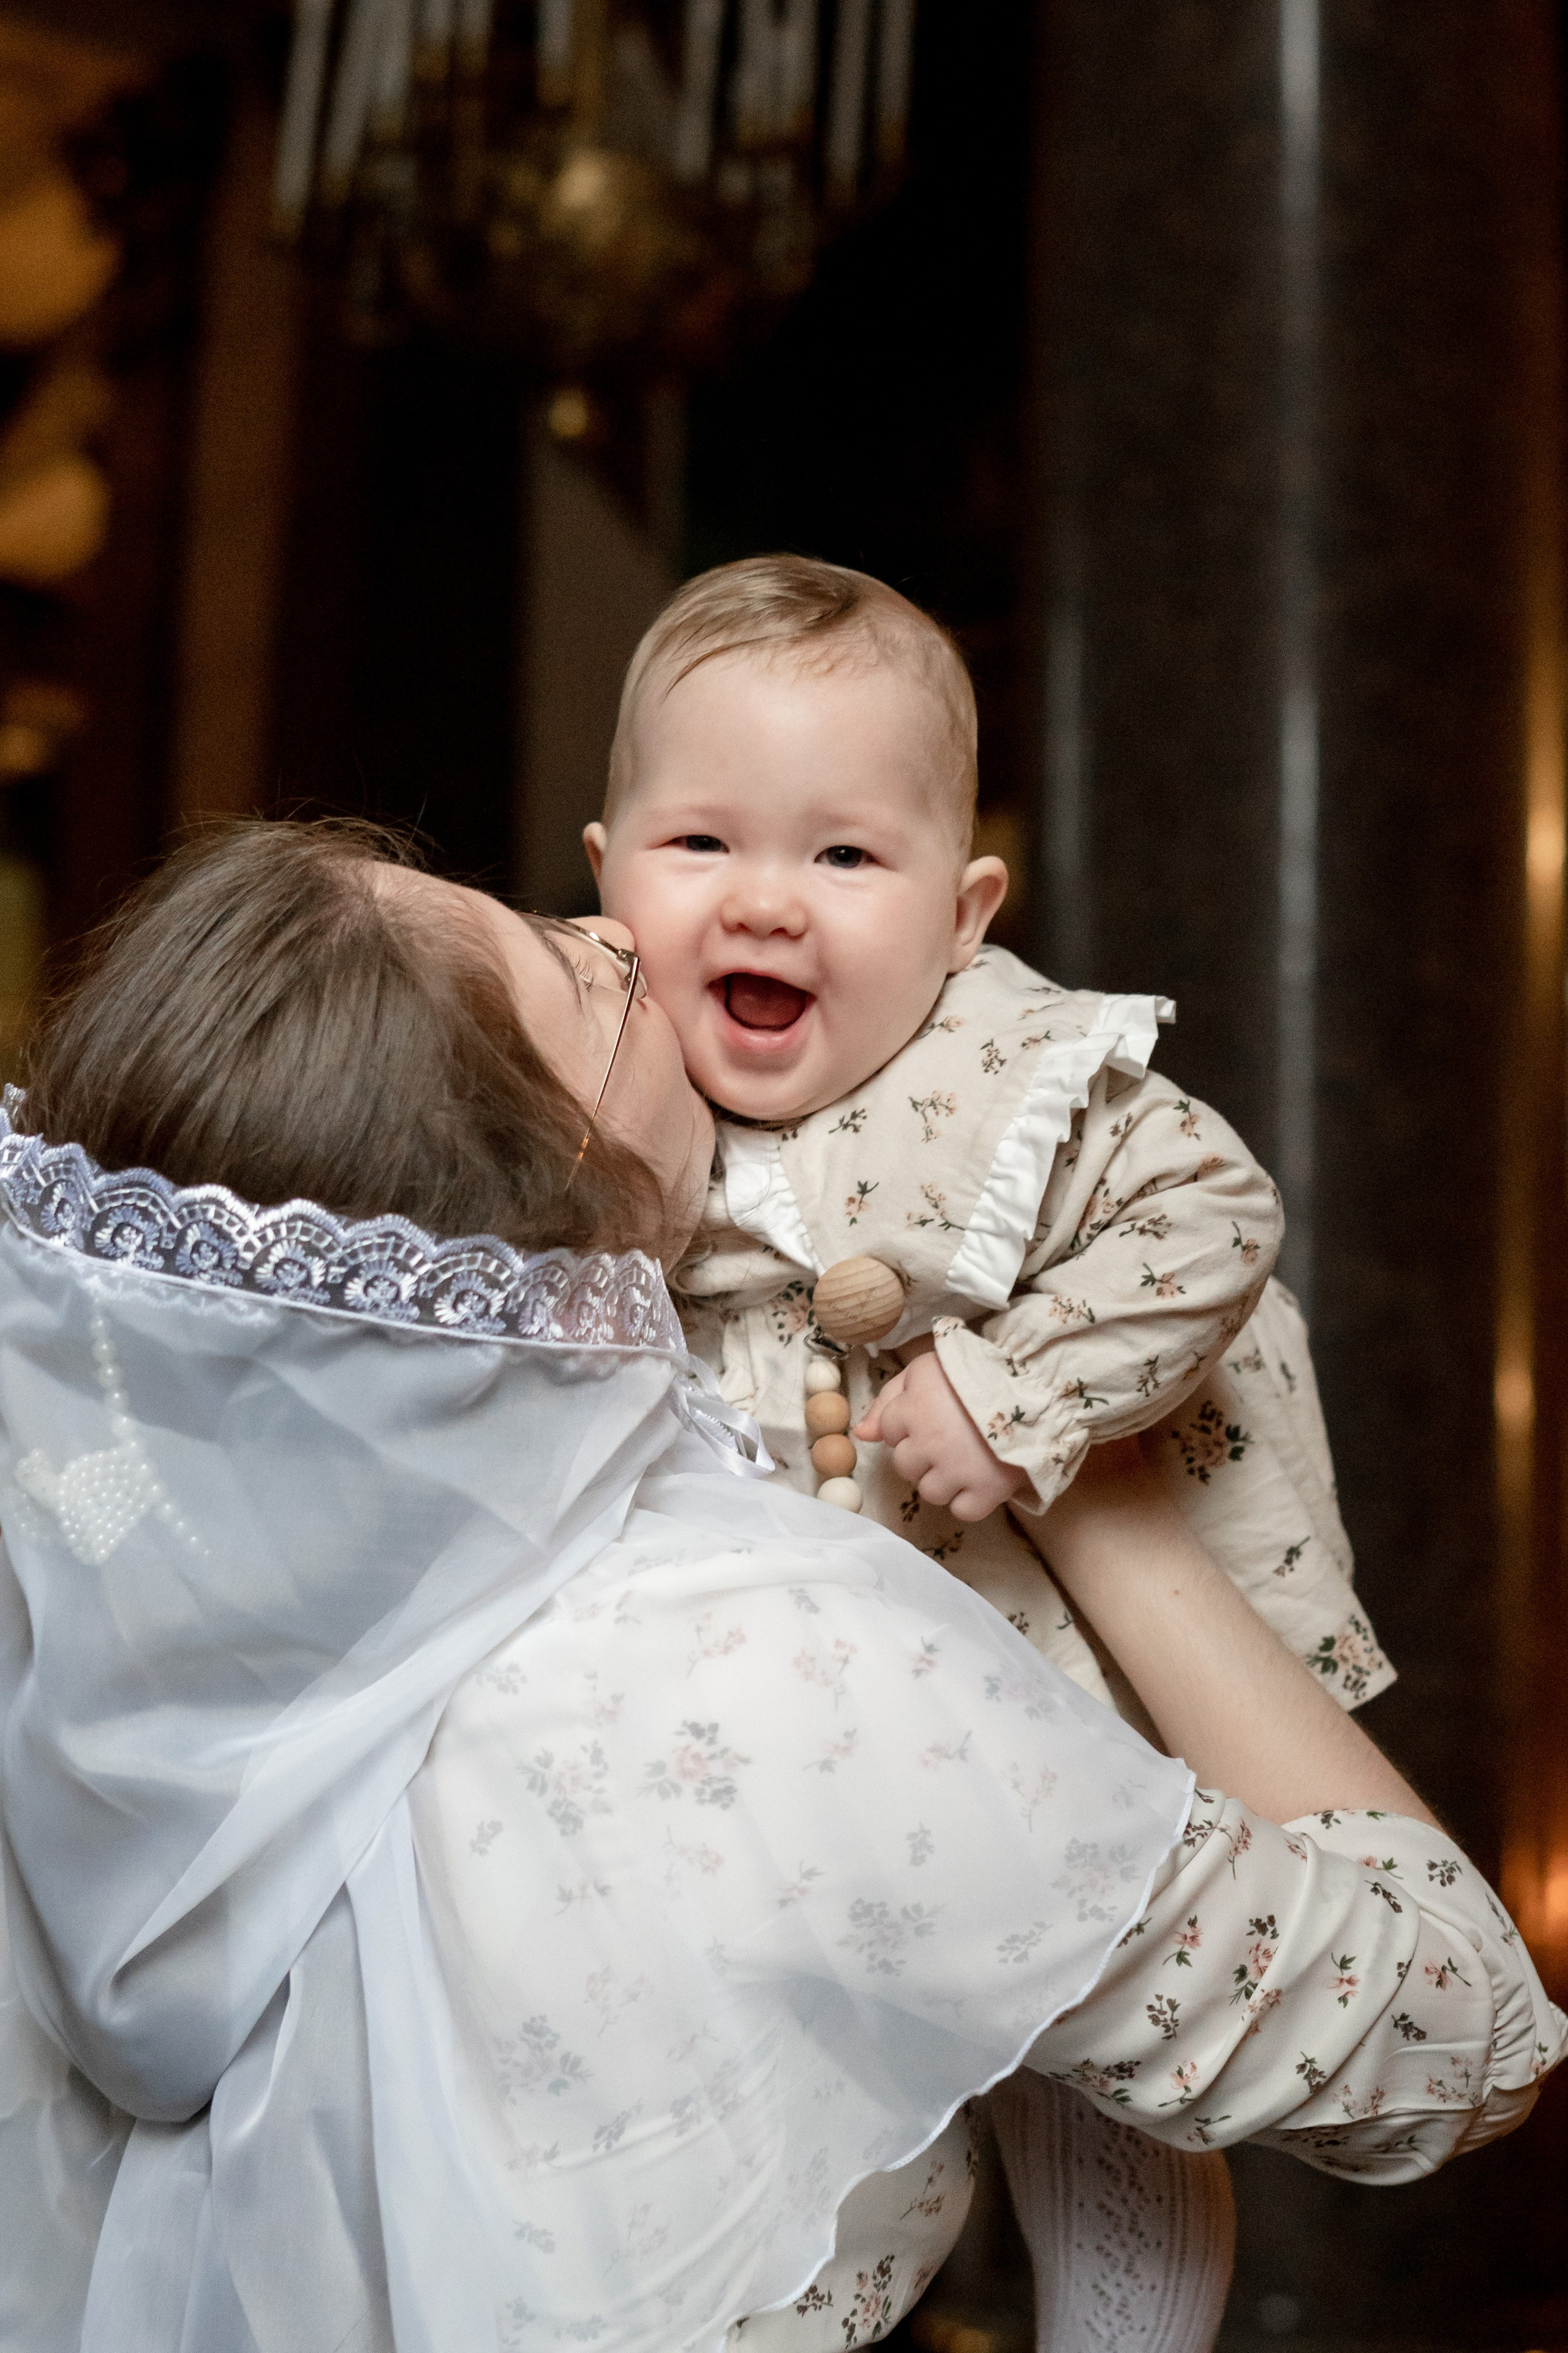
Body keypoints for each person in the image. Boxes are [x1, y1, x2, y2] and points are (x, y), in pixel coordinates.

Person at [0, 823, 1558, 2353]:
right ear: (566, 1168)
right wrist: (1101, 1486)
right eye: (577, 975)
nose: (623, 936)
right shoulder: (765, 1663)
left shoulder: (92, 1645)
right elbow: (1448, 2035)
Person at [583, 556, 1385, 2341]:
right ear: (601, 875)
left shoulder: (1010, 1073)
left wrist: (1019, 1392)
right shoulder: (592, 1088)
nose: (765, 903)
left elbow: (1208, 1212)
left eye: (846, 857)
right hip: (768, 1740)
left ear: (965, 910)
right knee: (818, 2101)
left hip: (1026, 1671)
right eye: (700, 844)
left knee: (1092, 2077)